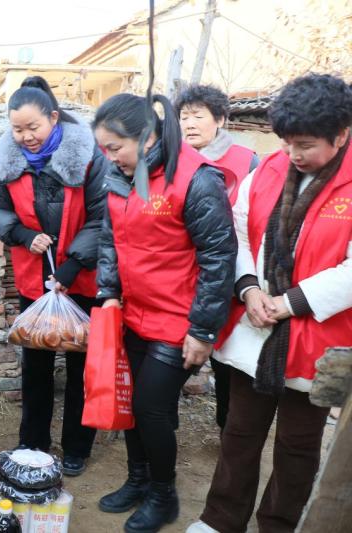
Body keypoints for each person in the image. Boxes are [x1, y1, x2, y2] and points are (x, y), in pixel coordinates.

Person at [188, 74, 352, 533]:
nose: (292, 154)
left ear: (341, 135)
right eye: (286, 142)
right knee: (239, 432)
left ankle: (277, 524)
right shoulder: (271, 169)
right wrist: (250, 290)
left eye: (305, 145)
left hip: (317, 332)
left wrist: (292, 303)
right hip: (257, 323)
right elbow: (239, 231)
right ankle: (220, 519)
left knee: (298, 446)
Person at [93, 92, 237, 533]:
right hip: (135, 310)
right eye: (103, 149)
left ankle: (163, 493)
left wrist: (202, 330)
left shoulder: (195, 180)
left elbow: (219, 256)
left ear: (147, 136)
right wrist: (109, 292)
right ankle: (138, 480)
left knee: (151, 407)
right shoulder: (121, 176)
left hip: (178, 319)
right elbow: (109, 239)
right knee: (134, 404)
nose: (108, 158)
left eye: (114, 148)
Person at [0, 75, 107, 477]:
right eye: (17, 129)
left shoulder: (88, 156)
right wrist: (20, 234)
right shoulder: (7, 162)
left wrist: (73, 264)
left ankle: (76, 445)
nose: (26, 137)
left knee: (80, 369)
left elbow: (103, 216)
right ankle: (33, 440)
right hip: (34, 281)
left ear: (53, 117)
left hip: (83, 280)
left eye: (33, 127)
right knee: (35, 364)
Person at [175, 84, 260, 430]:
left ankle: (228, 426)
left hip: (230, 274)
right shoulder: (171, 160)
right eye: (183, 116)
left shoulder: (246, 161)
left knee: (228, 362)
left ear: (220, 119)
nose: (189, 124)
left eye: (198, 116)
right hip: (182, 275)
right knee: (174, 355)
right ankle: (160, 424)